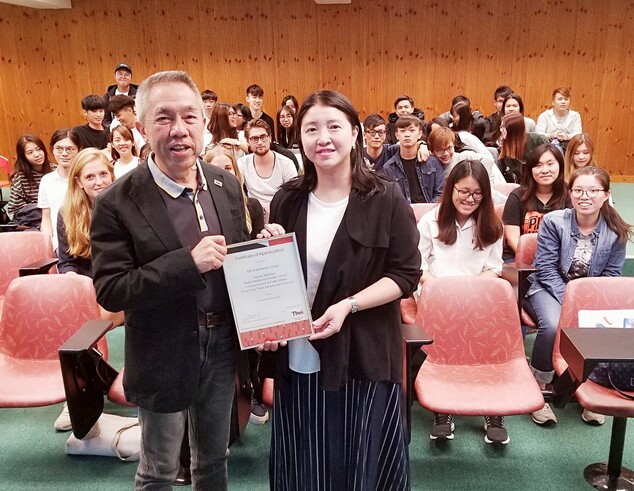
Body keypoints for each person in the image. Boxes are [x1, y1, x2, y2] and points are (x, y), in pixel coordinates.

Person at [90, 70, 248, 490]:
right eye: (163, 119)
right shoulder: (116, 202)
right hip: (162, 349)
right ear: (140, 127)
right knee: (158, 470)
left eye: (190, 117)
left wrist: (262, 248)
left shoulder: (225, 184)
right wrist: (186, 264)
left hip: (221, 347)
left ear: (204, 124)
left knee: (214, 460)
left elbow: (237, 258)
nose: (179, 130)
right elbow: (111, 290)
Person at [259, 89, 421, 490]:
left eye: (334, 126)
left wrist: (349, 305)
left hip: (361, 349)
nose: (323, 138)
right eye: (311, 128)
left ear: (355, 133)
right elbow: (277, 277)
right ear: (301, 139)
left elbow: (405, 275)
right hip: (300, 347)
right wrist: (267, 246)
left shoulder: (386, 197)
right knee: (304, 453)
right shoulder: (288, 199)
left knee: (356, 454)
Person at [524, 166, 631, 426]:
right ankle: (541, 384)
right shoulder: (554, 222)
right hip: (549, 288)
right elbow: (546, 269)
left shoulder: (616, 231)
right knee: (552, 324)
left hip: (590, 296)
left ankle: (588, 384)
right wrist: (570, 304)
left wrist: (587, 306)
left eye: (593, 190)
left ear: (606, 194)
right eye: (579, 190)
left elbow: (611, 277)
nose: (586, 196)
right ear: (570, 194)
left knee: (597, 327)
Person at [417, 160, 506, 443]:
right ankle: (443, 410)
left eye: (477, 193)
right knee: (447, 334)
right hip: (436, 294)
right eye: (463, 191)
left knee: (491, 331)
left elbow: (494, 268)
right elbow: (418, 267)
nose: (469, 199)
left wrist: (471, 294)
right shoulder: (430, 220)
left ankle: (493, 409)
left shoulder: (492, 224)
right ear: (450, 189)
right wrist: (444, 293)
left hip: (477, 295)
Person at [502, 143, 570, 261]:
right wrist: (535, 259)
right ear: (530, 169)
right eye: (538, 165)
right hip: (517, 257)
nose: (545, 170)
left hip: (557, 259)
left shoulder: (570, 195)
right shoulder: (517, 196)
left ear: (560, 166)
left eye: (550, 164)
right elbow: (513, 238)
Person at [381, 115, 444, 203]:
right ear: (396, 135)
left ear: (420, 134)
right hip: (402, 214)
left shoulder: (432, 162)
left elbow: (441, 193)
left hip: (430, 213)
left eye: (412, 130)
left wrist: (427, 212)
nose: (407, 134)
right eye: (402, 131)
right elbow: (388, 199)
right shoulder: (388, 168)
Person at [38, 128, 81, 251]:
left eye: (69, 149)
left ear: (78, 150)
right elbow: (46, 217)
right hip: (58, 246)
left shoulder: (85, 178)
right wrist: (48, 244)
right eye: (59, 149)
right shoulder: (47, 181)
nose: (64, 153)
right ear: (52, 150)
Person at [237, 119, 297, 206]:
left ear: (270, 138)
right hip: (254, 212)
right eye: (254, 139)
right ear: (248, 142)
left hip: (281, 210)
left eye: (263, 137)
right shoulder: (242, 164)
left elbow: (293, 197)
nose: (260, 142)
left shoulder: (286, 164)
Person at [6, 134, 52, 229]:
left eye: (39, 149)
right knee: (36, 209)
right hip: (31, 217)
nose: (37, 154)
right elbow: (15, 209)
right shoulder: (20, 177)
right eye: (30, 152)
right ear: (24, 157)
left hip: (54, 211)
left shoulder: (56, 171)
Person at [498, 113, 548, 183]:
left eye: (503, 126)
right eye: (501, 126)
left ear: (513, 129)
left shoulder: (538, 139)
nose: (501, 130)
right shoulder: (504, 146)